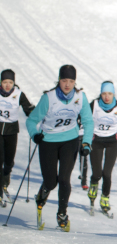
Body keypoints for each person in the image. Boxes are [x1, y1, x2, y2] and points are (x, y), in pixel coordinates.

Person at [26, 65, 94, 231]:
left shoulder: (80, 97)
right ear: (59, 80)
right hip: (48, 142)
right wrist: (35, 134)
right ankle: (42, 195)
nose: (67, 84)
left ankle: (62, 213)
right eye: (64, 80)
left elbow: (88, 121)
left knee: (64, 179)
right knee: (51, 182)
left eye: (71, 81)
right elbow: (31, 120)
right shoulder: (48, 98)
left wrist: (86, 142)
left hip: (70, 141)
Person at [87, 81, 117, 215]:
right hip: (96, 141)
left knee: (107, 173)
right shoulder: (94, 105)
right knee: (97, 173)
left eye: (109, 94)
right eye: (104, 93)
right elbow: (83, 120)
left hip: (112, 143)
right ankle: (93, 184)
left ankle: (105, 198)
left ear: (113, 94)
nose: (106, 97)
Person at [0, 69, 35, 203]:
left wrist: (33, 113)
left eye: (10, 82)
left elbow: (28, 108)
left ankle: (5, 179)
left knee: (9, 160)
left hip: (12, 131)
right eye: (4, 82)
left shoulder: (18, 94)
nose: (7, 85)